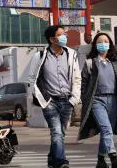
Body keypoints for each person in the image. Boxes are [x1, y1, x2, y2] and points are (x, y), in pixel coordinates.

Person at [77, 33, 117, 168]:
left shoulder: (115, 62)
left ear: (110, 44)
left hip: (114, 100)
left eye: (105, 41)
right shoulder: (90, 63)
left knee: (108, 132)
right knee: (106, 128)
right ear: (95, 45)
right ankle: (113, 156)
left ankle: (101, 159)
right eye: (100, 41)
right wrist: (85, 100)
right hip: (97, 101)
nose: (103, 44)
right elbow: (83, 85)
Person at [27, 25, 81, 168]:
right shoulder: (39, 56)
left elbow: (77, 78)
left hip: (67, 101)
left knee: (60, 134)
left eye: (65, 34)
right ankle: (61, 161)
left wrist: (74, 99)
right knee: (56, 132)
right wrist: (42, 99)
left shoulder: (71, 54)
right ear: (52, 39)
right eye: (61, 34)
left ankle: (52, 158)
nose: (65, 37)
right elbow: (32, 79)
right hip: (50, 101)